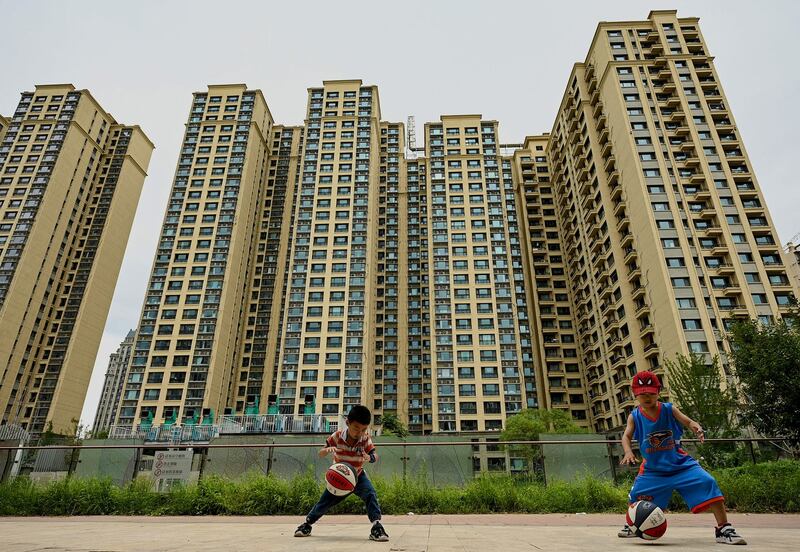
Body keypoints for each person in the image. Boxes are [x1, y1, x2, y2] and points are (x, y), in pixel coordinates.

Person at [619, 370, 746, 545]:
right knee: (636, 496)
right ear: (635, 395)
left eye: (651, 393)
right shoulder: (634, 416)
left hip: (681, 466)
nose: (647, 397)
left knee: (708, 482)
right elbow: (626, 436)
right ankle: (634, 524)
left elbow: (687, 421)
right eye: (642, 395)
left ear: (658, 392)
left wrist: (696, 426)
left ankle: (723, 528)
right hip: (653, 470)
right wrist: (628, 451)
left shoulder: (669, 409)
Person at [294, 404, 389, 542]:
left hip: (357, 476)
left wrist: (370, 458)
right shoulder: (337, 436)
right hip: (339, 477)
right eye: (356, 428)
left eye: (363, 429)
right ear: (347, 423)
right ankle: (307, 524)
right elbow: (321, 452)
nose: (359, 433)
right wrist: (326, 451)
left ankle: (376, 527)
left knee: (370, 494)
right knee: (324, 502)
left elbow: (375, 455)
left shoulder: (365, 439)